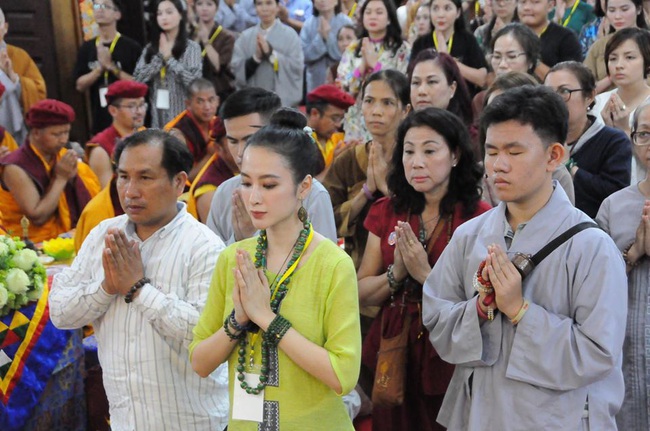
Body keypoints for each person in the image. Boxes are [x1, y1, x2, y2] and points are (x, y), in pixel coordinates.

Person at [422, 85, 626, 430]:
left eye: (515, 152)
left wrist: (520, 310)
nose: (499, 165)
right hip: (481, 414)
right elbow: (437, 319)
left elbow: (598, 353)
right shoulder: (470, 236)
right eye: (491, 151)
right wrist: (480, 307)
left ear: (554, 156)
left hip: (556, 419)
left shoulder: (592, 247)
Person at [189, 108, 361, 430]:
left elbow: (343, 376)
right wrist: (239, 319)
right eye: (246, 183)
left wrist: (266, 318)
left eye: (268, 185)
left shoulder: (333, 264)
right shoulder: (234, 259)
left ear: (304, 187)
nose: (253, 197)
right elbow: (199, 361)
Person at [49, 129, 229, 431]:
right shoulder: (103, 236)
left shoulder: (204, 247)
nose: (130, 191)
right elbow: (61, 313)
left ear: (178, 182)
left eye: (145, 178)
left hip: (192, 422)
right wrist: (107, 286)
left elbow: (206, 337)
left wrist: (138, 289)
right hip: (126, 420)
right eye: (123, 176)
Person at [357, 108, 491, 431]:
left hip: (447, 349)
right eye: (409, 151)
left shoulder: (478, 218)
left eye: (430, 151)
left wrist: (424, 273)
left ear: (455, 155)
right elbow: (360, 290)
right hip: (393, 344)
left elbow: (481, 302)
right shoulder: (388, 210)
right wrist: (396, 275)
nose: (416, 162)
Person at [205, 87, 338, 244]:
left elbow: (324, 262)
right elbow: (212, 263)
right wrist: (239, 239)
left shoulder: (311, 195)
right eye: (232, 141)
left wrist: (251, 237)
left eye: (250, 139)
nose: (240, 152)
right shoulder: (224, 193)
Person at [596, 99, 650, 431]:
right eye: (644, 134)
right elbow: (594, 284)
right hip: (626, 354)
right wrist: (635, 251)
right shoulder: (614, 206)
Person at [325, 70, 411, 269]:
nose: (376, 111)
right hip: (350, 265)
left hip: (402, 265)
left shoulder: (414, 161)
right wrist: (365, 192)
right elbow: (323, 219)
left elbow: (424, 219)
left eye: (387, 103)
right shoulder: (349, 160)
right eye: (369, 101)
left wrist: (385, 188)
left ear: (406, 110)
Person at [0, 100, 100, 243]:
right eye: (56, 134)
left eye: (66, 132)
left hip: (66, 240)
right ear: (35, 133)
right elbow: (38, 216)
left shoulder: (63, 157)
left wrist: (72, 181)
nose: (63, 139)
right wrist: (61, 178)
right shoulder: (15, 166)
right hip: (31, 247)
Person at [545, 61, 631, 217]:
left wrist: (569, 166)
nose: (555, 100)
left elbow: (616, 195)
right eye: (549, 93)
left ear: (590, 96)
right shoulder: (539, 140)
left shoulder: (613, 141)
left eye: (564, 91)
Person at [337, 0, 411, 142]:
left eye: (379, 12)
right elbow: (343, 89)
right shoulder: (353, 49)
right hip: (356, 119)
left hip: (388, 115)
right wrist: (362, 68)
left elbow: (403, 85)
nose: (372, 16)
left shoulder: (402, 49)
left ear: (389, 18)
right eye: (368, 12)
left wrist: (376, 66)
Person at [74, 0, 142, 134]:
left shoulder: (131, 47)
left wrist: (112, 67)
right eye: (96, 6)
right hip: (100, 120)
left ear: (117, 14)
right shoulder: (87, 48)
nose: (99, 9)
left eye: (105, 6)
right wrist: (99, 69)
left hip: (129, 120)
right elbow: (79, 85)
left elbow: (140, 85)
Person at [134, 0, 202, 128]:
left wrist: (169, 59)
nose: (164, 17)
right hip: (157, 119)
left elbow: (195, 84)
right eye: (160, 14)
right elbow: (137, 80)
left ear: (181, 15)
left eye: (169, 12)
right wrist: (159, 58)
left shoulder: (192, 48)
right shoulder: (150, 48)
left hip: (184, 119)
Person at [231, 0, 304, 108]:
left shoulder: (290, 35)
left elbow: (296, 67)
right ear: (255, 7)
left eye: (269, 3)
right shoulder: (245, 37)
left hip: (281, 104)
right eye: (259, 4)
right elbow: (236, 70)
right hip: (253, 105)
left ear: (278, 6)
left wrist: (271, 54)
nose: (264, 8)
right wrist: (255, 59)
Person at [591, 27, 650, 158]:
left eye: (629, 57)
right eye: (613, 58)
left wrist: (624, 131)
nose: (619, 65)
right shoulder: (598, 103)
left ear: (647, 63)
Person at [410, 0, 489, 94]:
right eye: (435, 8)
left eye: (447, 8)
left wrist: (449, 60)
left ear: (458, 12)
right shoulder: (420, 43)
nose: (441, 14)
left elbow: (482, 79)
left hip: (462, 103)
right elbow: (411, 78)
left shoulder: (467, 39)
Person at [86, 79, 148, 188]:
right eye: (131, 106)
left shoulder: (148, 136)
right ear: (113, 111)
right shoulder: (100, 149)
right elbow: (109, 196)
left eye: (142, 105)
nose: (139, 111)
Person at [0, 7, 46, 146]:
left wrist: (14, 78)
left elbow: (39, 91)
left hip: (15, 131)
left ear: (5, 27)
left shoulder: (18, 55)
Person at [583, 0, 647, 93]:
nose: (617, 16)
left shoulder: (647, 40)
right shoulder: (599, 46)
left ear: (638, 9)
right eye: (612, 10)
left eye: (624, 9)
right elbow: (584, 87)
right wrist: (610, 78)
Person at [164, 78, 220, 181]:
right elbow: (183, 178)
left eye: (211, 100)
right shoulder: (178, 133)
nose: (207, 107)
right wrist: (209, 155)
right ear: (188, 104)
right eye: (200, 101)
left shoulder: (217, 123)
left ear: (217, 101)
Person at [186, 117, 237, 223]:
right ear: (218, 148)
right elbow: (221, 237)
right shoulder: (209, 190)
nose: (244, 147)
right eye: (234, 142)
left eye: (248, 139)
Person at [517, 0, 583, 80]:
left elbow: (571, 80)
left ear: (550, 5)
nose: (526, 8)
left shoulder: (566, 38)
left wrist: (532, 59)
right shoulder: (509, 35)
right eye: (522, 2)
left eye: (535, 2)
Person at [301, 0, 354, 93]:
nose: (323, 1)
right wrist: (319, 38)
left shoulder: (346, 22)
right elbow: (303, 55)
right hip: (314, 82)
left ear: (336, 1)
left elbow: (350, 53)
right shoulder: (308, 25)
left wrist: (328, 38)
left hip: (342, 80)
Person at [305, 84, 356, 177]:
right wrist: (334, 164)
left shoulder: (337, 139)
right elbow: (307, 189)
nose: (338, 124)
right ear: (315, 113)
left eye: (340, 119)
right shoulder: (299, 142)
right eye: (334, 118)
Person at [190, 0, 237, 99]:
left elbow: (218, 67)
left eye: (209, 4)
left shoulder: (227, 36)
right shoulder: (189, 34)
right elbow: (186, 64)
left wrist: (206, 41)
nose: (204, 8)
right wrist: (196, 39)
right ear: (195, 7)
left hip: (218, 92)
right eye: (200, 4)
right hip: (193, 91)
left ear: (217, 8)